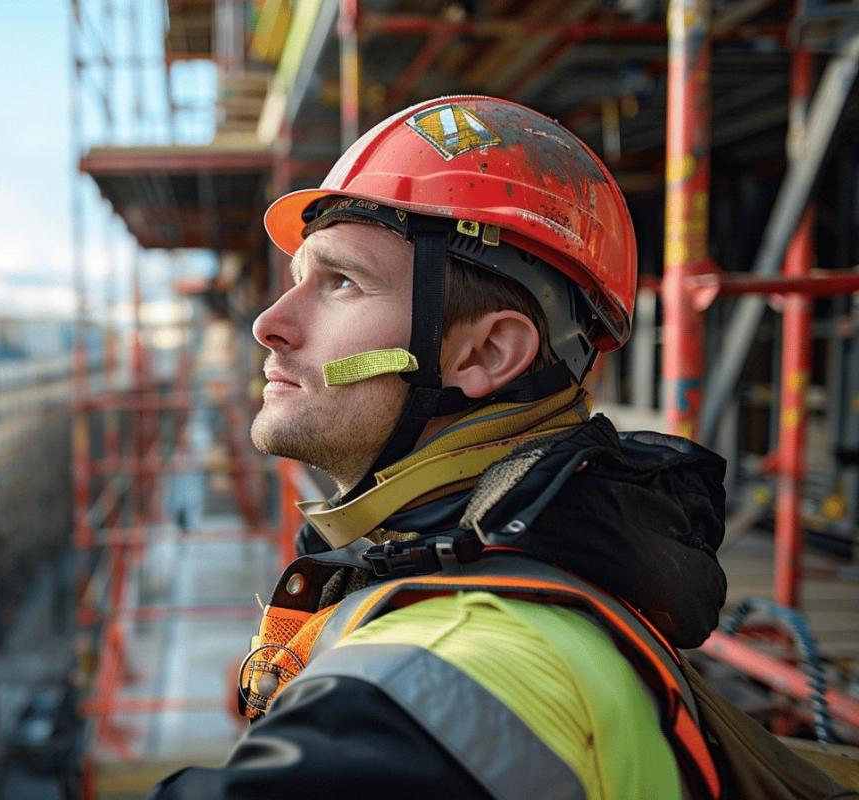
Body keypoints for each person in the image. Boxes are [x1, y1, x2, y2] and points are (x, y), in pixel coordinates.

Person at [149, 96, 843, 800]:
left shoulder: (446, 673)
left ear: (488, 352)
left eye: (341, 283)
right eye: (299, 281)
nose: (270, 323)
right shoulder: (552, 572)